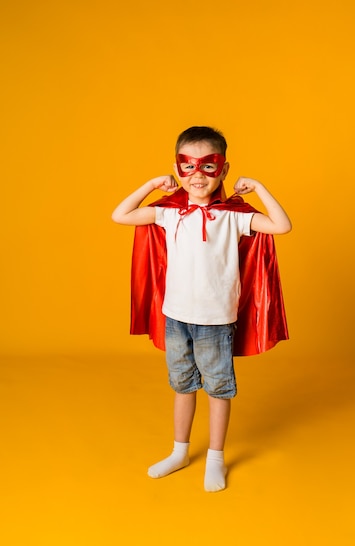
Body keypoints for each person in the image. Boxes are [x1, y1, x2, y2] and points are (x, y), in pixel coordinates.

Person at [112, 126, 292, 492]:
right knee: (182, 385)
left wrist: (257, 188)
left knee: (218, 389)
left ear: (223, 170)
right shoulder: (167, 214)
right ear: (178, 169)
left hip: (215, 321)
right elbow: (120, 215)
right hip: (176, 317)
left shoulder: (234, 217)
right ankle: (179, 452)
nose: (197, 175)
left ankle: (215, 458)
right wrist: (151, 184)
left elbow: (282, 226)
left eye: (208, 167)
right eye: (187, 166)